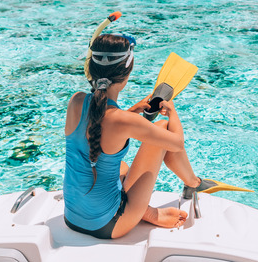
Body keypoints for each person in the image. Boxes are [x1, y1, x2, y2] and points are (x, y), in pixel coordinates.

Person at [62, 33, 205, 239]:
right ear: (127, 73)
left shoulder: (76, 101)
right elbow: (177, 143)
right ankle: (193, 183)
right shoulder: (125, 121)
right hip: (109, 225)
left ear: (92, 69)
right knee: (164, 126)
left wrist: (131, 111)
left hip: (72, 218)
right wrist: (173, 112)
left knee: (121, 167)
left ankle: (142, 210)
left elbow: (101, 129)